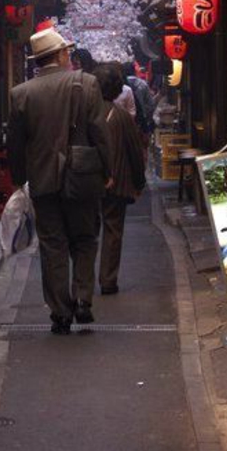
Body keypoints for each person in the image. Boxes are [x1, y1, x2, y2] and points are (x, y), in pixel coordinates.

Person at [7, 27, 112, 335]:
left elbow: (15, 143)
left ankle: (60, 312)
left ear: (38, 60)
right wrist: (107, 171)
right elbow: (99, 134)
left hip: (42, 181)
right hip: (82, 177)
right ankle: (82, 299)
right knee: (84, 238)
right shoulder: (86, 83)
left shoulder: (21, 94)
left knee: (53, 245)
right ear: (63, 54)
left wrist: (18, 180)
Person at [93, 63, 146, 295]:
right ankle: (108, 279)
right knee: (113, 230)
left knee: (86, 232)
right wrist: (139, 181)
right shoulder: (123, 116)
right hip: (116, 181)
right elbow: (135, 151)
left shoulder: (84, 113)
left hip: (87, 182)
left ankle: (82, 283)